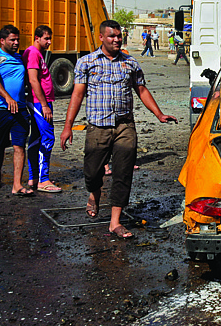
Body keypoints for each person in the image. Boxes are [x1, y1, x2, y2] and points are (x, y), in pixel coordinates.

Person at [60, 20, 177, 238]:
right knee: (92, 173)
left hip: (125, 126)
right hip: (98, 127)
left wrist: (159, 114)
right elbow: (77, 95)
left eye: (119, 36)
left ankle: (115, 222)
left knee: (123, 174)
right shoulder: (87, 63)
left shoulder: (130, 63)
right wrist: (68, 127)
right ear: (101, 38)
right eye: (112, 36)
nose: (116, 39)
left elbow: (141, 90)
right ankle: (94, 194)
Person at [0, 25, 33, 195]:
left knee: (19, 146)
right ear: (2, 40)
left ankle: (17, 185)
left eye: (17, 39)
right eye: (12, 40)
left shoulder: (20, 58)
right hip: (0, 108)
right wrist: (7, 98)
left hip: (19, 110)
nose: (16, 43)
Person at [24, 25, 62, 193]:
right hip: (40, 103)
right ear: (37, 38)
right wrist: (44, 105)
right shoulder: (33, 53)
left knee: (37, 137)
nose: (49, 42)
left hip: (41, 102)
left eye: (50, 38)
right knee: (48, 138)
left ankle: (34, 177)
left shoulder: (36, 53)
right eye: (46, 38)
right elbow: (33, 80)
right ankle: (43, 180)